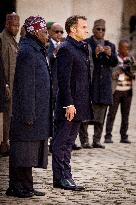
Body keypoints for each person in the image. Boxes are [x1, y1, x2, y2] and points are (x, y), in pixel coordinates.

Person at [6, 15, 52, 198]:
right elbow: (25, 87)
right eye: (44, 31)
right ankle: (16, 187)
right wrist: (28, 114)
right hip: (28, 113)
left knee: (29, 152)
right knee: (23, 151)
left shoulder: (36, 49)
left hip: (37, 112)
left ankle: (27, 186)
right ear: (34, 31)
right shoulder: (27, 52)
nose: (47, 35)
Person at [52, 15, 94, 191]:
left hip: (80, 104)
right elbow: (63, 80)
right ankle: (60, 178)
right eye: (83, 27)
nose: (87, 30)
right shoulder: (67, 49)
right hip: (69, 105)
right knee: (61, 142)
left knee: (69, 143)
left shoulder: (82, 47)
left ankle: (66, 176)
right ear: (73, 29)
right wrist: (69, 104)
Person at [83, 19, 118, 149]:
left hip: (104, 86)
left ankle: (96, 140)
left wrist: (109, 54)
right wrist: (95, 54)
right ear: (93, 30)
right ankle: (84, 140)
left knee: (101, 115)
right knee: (86, 115)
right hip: (91, 84)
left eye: (103, 29)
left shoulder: (110, 45)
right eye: (98, 29)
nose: (101, 32)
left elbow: (114, 63)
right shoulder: (86, 43)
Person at [104, 39, 135, 143]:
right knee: (111, 114)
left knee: (125, 115)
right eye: (124, 48)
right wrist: (119, 71)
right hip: (116, 91)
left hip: (127, 91)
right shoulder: (114, 58)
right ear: (120, 47)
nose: (126, 50)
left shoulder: (131, 59)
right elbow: (111, 75)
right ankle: (108, 136)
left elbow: (134, 76)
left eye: (128, 48)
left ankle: (124, 136)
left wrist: (129, 71)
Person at [0, 12, 20, 155]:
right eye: (14, 25)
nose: (16, 28)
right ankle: (3, 144)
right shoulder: (2, 39)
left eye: (18, 25)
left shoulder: (13, 40)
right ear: (7, 24)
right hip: (5, 85)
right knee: (5, 115)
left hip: (13, 85)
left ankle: (7, 143)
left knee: (11, 114)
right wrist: (5, 84)